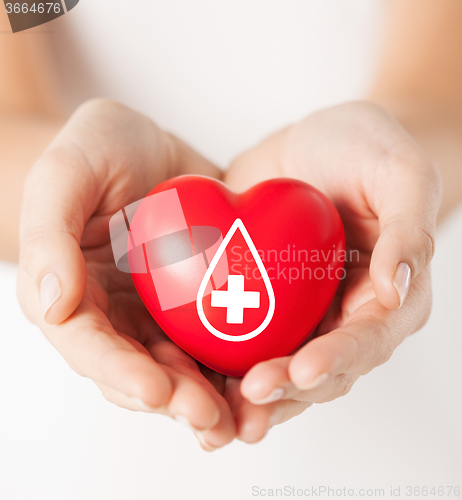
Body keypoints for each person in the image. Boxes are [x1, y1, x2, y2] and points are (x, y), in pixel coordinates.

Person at [1, 0, 461, 453]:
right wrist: (68, 208)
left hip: (396, 408)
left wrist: (391, 173)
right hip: (70, 423)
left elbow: (443, 99)